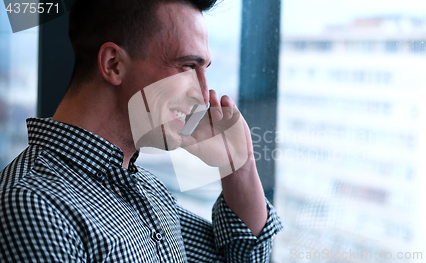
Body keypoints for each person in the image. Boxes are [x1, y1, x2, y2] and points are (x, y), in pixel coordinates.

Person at [0, 0, 283, 262]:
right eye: (187, 66)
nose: (202, 93)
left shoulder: (147, 190)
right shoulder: (33, 204)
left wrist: (239, 166)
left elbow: (241, 257)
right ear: (114, 64)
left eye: (204, 68)